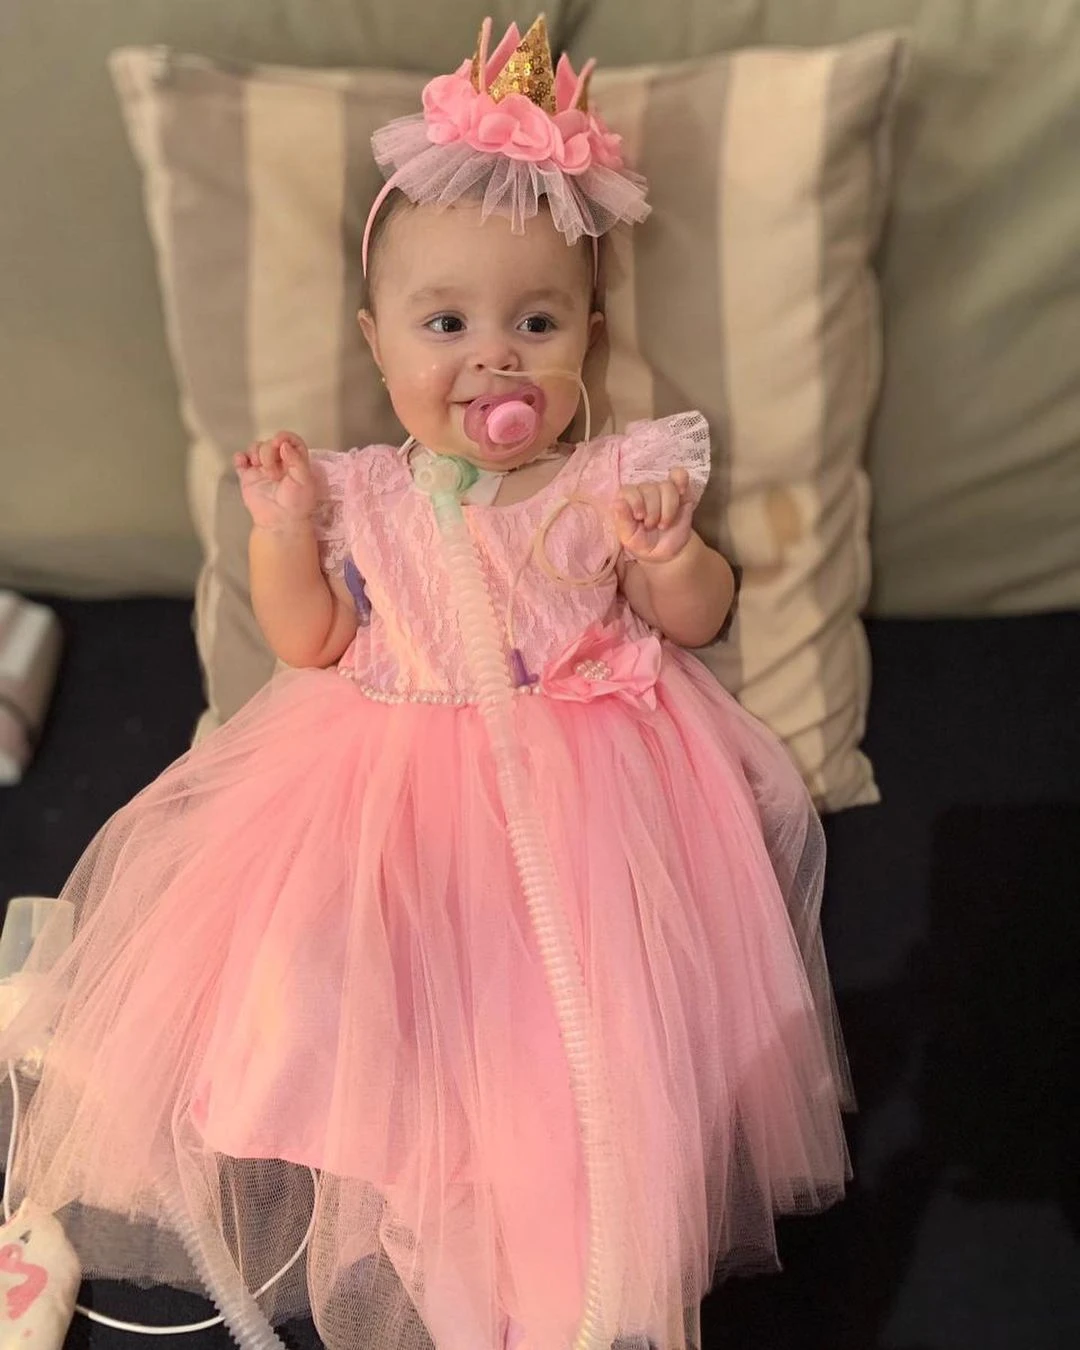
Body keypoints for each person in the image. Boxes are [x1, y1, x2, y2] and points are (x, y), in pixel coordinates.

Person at [0, 17, 850, 1350]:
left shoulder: (609, 479)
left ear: (588, 337)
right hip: (379, 772)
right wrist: (284, 533)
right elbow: (310, 643)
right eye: (445, 323)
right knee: (310, 975)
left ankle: (541, 1248)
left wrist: (671, 554)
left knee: (562, 1040)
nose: (493, 358)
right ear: (377, 339)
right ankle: (387, 1176)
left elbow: (697, 617)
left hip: (577, 792)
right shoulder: (369, 491)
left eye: (535, 322)